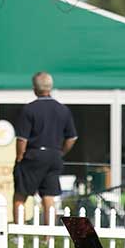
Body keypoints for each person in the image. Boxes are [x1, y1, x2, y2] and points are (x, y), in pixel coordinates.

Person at [13, 71, 77, 226]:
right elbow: (72, 138)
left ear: (35, 88)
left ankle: (18, 231)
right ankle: (48, 236)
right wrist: (61, 152)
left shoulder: (29, 109)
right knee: (49, 197)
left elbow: (22, 139)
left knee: (20, 196)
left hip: (34, 154)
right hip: (54, 156)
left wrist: (19, 157)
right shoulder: (63, 110)